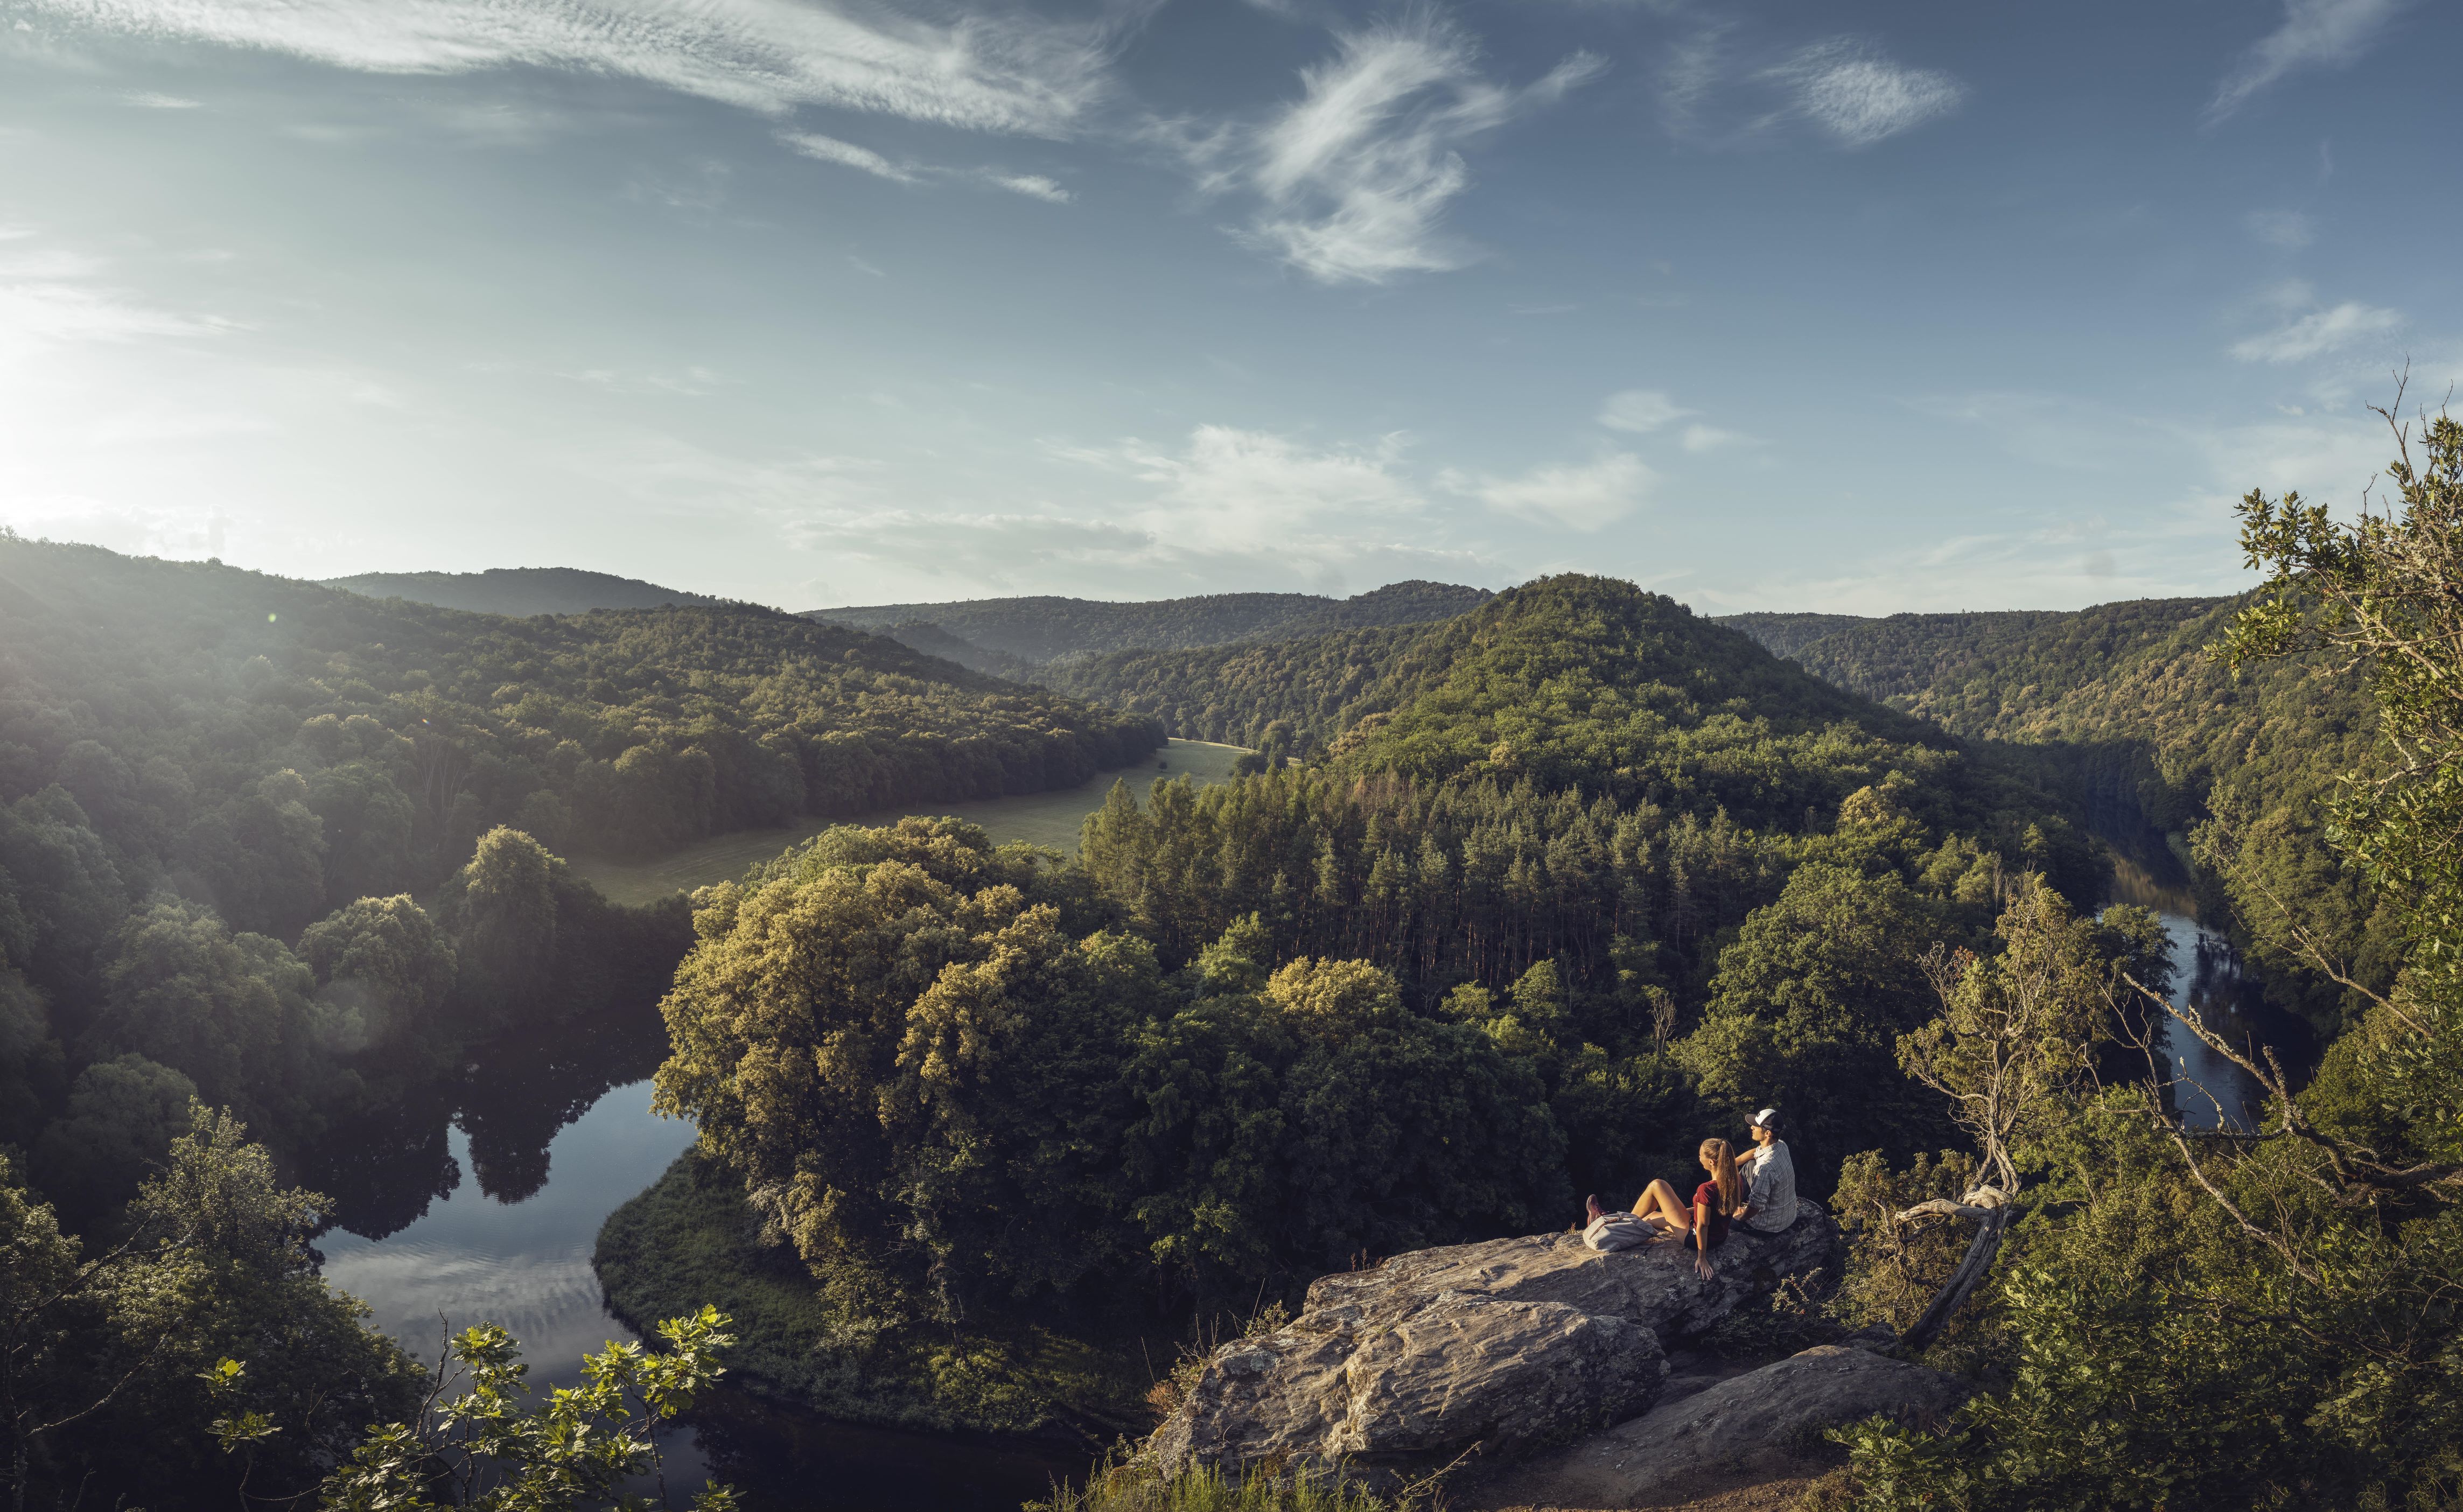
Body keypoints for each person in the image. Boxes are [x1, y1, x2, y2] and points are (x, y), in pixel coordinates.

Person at [1627, 1138, 1744, 1278]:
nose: (1699, 1158)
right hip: (1719, 1237)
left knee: (1657, 1185)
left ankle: (1624, 1222)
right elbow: (1711, 1213)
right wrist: (1679, 1212)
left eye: (1701, 1156)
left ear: (1711, 1162)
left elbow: (1702, 1225)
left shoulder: (1706, 1189)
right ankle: (1627, 1221)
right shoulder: (1735, 1180)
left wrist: (1702, 1258)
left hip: (1694, 1238)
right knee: (1649, 1217)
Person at [1732, 1107, 1799, 1234]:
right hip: (1788, 1217)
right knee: (1750, 1165)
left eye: (1756, 1126)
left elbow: (1756, 1204)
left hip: (1768, 1226)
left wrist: (1741, 1216)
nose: (1751, 1128)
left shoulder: (1764, 1168)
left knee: (1724, 1218)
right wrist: (1731, 1164)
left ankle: (1732, 1206)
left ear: (1768, 1133)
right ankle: (1734, 1202)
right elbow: (1755, 1152)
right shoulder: (1781, 1145)